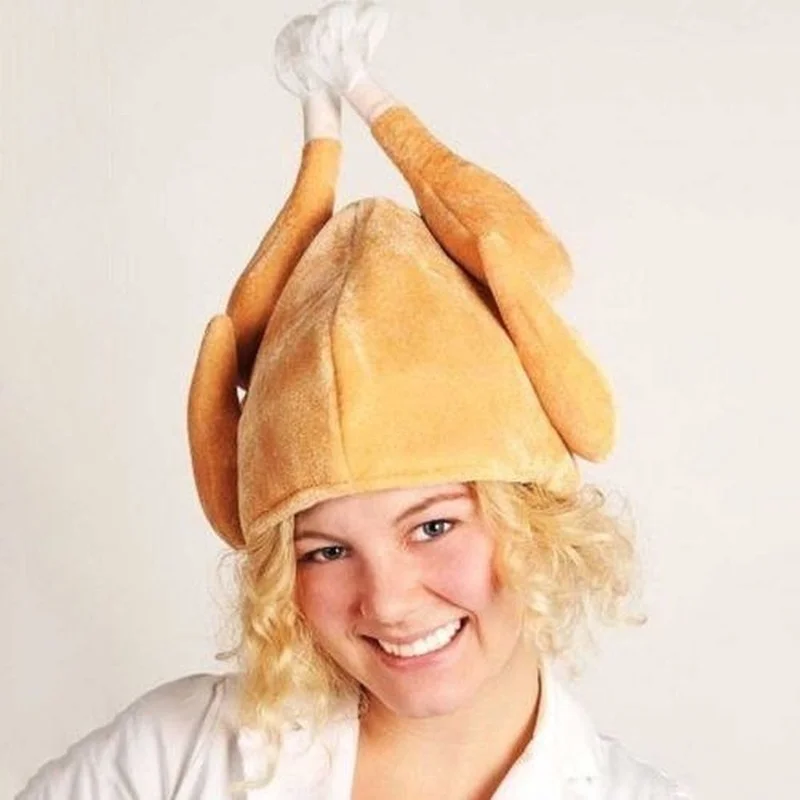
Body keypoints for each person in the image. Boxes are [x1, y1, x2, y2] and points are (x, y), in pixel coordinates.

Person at [17, 3, 693, 798]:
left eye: (433, 526)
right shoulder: (167, 758)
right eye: (326, 551)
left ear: (539, 524)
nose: (390, 602)